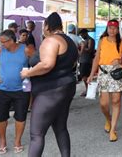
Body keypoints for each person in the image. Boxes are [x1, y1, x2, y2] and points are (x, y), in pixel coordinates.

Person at [20, 12, 79, 157]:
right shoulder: (70, 41)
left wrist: (28, 73)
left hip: (50, 90)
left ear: (47, 26)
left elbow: (47, 65)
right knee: (60, 128)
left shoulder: (51, 40)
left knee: (36, 135)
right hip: (67, 86)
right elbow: (71, 63)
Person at [0, 30, 31, 155]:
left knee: (20, 116)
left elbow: (37, 63)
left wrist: (29, 73)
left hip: (22, 89)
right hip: (2, 89)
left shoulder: (26, 50)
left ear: (12, 40)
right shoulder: (0, 50)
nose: (1, 44)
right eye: (0, 42)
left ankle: (17, 142)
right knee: (0, 118)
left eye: (3, 42)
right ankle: (2, 142)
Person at [87, 20, 122, 142]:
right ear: (107, 29)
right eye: (110, 28)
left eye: (114, 28)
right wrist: (91, 74)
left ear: (117, 30)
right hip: (103, 73)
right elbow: (96, 59)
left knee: (116, 101)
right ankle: (108, 119)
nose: (112, 30)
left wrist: (120, 61)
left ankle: (113, 130)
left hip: (117, 74)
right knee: (104, 104)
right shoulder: (102, 41)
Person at [79, 29, 95, 97]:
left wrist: (82, 47)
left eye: (82, 34)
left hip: (87, 60)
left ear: (85, 33)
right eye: (80, 35)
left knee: (85, 76)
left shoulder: (90, 40)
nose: (81, 36)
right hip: (82, 60)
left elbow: (90, 50)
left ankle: (88, 90)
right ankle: (88, 90)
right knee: (84, 76)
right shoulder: (84, 40)